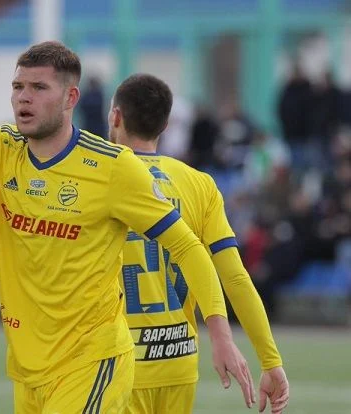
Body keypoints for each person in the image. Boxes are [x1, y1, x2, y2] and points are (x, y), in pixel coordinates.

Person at [0, 1, 252, 411]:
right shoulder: (0, 150)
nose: (23, 98)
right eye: (18, 87)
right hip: (28, 369)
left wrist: (220, 334)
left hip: (92, 362)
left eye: (38, 88)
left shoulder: (113, 167)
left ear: (71, 97)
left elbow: (188, 246)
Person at [108, 73, 290, 414]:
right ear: (165, 126)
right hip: (179, 362)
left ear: (115, 117)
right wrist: (270, 359)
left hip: (117, 364)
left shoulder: (100, 176)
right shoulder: (200, 184)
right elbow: (236, 278)